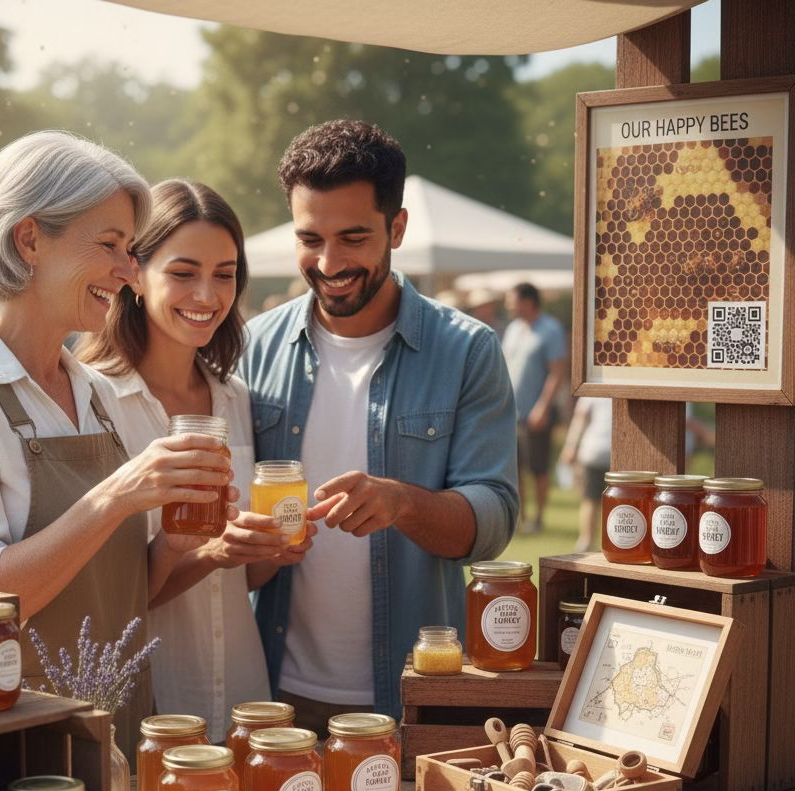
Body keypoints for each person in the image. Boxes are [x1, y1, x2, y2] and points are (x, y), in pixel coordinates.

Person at [0, 131, 235, 756]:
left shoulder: (93, 393)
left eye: (131, 250)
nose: (129, 271)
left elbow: (129, 597)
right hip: (25, 744)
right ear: (29, 240)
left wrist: (177, 546)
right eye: (109, 245)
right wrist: (116, 497)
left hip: (125, 726)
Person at [239, 120, 519, 730]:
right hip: (271, 695)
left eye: (354, 237)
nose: (330, 262)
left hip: (416, 692)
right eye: (309, 238)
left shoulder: (468, 350)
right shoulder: (252, 347)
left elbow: (494, 521)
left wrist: (401, 503)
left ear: (397, 228)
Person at [78, 180, 315, 741]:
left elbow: (242, 576)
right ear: (134, 273)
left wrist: (274, 549)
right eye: (183, 273)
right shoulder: (92, 401)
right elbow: (108, 596)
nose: (207, 295)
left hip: (242, 690)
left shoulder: (235, 397)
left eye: (225, 274)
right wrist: (210, 552)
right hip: (150, 699)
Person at [501, 282, 567, 533]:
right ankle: (519, 518)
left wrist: (543, 406)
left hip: (537, 413)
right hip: (511, 413)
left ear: (528, 302)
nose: (508, 305)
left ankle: (538, 519)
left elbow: (557, 372)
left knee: (538, 467)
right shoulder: (513, 329)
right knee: (513, 470)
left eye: (512, 300)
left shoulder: (550, 330)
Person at [559, 396, 613, 553]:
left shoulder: (594, 386)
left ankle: (586, 540)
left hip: (593, 450)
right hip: (614, 450)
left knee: (590, 499)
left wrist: (570, 445)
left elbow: (580, 418)